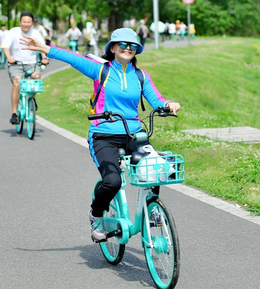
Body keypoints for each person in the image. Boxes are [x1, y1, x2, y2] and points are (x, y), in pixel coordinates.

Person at [19, 28, 180, 242]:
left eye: (132, 46)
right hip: (103, 135)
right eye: (122, 44)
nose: (128, 49)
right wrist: (44, 48)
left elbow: (156, 99)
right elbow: (72, 58)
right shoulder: (101, 70)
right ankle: (96, 215)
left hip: (134, 133)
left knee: (155, 167)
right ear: (112, 48)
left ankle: (151, 212)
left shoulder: (140, 76)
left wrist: (168, 104)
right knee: (112, 182)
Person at [2, 11, 49, 125]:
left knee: (36, 78)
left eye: (28, 22)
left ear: (32, 23)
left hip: (32, 64)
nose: (26, 24)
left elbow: (42, 47)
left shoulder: (36, 33)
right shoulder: (13, 32)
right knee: (17, 83)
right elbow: (5, 47)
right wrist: (9, 58)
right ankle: (14, 113)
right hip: (16, 64)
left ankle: (31, 99)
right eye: (24, 22)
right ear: (20, 22)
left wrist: (44, 58)